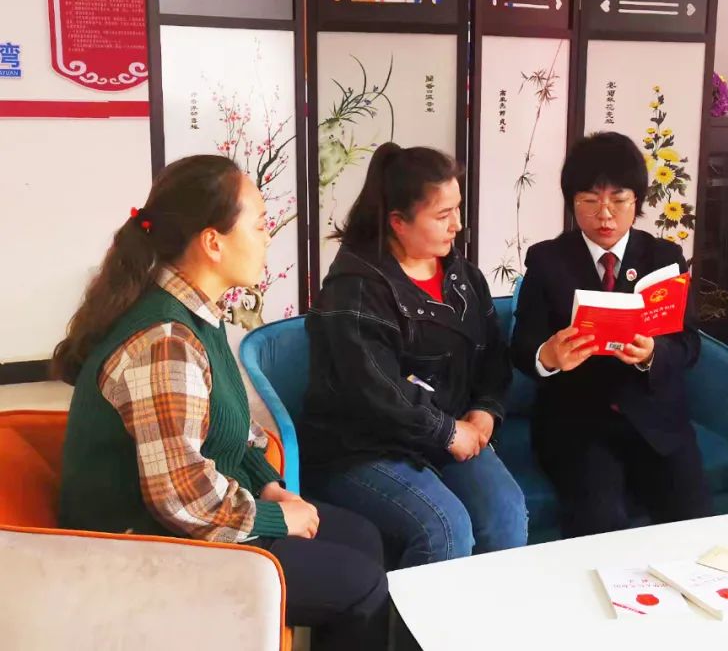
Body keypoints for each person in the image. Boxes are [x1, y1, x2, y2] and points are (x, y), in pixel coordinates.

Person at [54, 155, 389, 650]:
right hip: (142, 552)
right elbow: (181, 498)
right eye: (260, 224)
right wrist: (276, 519)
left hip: (188, 524)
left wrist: (270, 487)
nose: (268, 238)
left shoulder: (198, 315)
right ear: (213, 242)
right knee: (360, 586)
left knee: (363, 537)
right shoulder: (165, 341)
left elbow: (235, 434)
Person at [300, 143, 528, 568]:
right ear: (398, 223)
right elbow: (377, 391)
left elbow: (493, 357)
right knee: (444, 527)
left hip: (446, 434)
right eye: (443, 215)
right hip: (362, 447)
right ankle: (413, 617)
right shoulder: (355, 289)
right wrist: (447, 431)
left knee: (506, 514)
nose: (458, 224)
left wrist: (486, 410)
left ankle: (490, 611)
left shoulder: (463, 278)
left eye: (457, 209)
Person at [509, 131, 712, 538]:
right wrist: (548, 356)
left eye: (618, 200)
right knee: (599, 521)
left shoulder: (664, 259)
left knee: (694, 522)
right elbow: (522, 347)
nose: (605, 215)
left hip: (655, 420)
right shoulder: (548, 261)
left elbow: (689, 344)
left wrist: (652, 353)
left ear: (636, 201)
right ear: (572, 202)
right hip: (577, 423)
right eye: (590, 201)